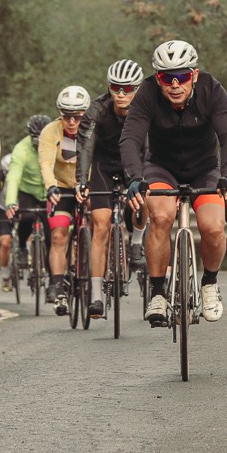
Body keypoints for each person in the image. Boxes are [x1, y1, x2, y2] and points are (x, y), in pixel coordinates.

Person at [122, 40, 227, 326]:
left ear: (194, 75)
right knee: (161, 216)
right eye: (167, 78)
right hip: (162, 167)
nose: (175, 85)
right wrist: (135, 178)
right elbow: (131, 138)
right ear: (158, 79)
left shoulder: (212, 90)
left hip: (205, 168)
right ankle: (159, 292)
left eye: (182, 77)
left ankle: (210, 284)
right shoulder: (147, 94)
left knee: (212, 227)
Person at [81, 58, 143, 321]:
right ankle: (96, 294)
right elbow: (85, 145)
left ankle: (137, 243)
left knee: (145, 201)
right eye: (116, 87)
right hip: (104, 166)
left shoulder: (146, 109)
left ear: (138, 89)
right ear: (109, 87)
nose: (121, 93)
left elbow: (153, 144)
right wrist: (82, 180)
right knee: (101, 224)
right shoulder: (98, 108)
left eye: (128, 88)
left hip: (135, 165)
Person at [37, 86, 92, 314]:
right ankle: (59, 287)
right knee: (59, 235)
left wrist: (89, 186)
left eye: (77, 116)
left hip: (88, 185)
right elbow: (46, 163)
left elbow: (99, 162)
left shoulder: (95, 130)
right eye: (66, 115)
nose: (71, 121)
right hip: (61, 188)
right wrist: (50, 187)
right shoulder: (51, 131)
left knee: (99, 223)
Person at [0, 114, 49, 283]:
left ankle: (52, 274)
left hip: (50, 190)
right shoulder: (21, 149)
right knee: (26, 217)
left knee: (52, 234)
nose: (39, 142)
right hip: (27, 190)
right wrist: (11, 202)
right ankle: (21, 248)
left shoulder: (56, 143)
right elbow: (13, 178)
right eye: (35, 138)